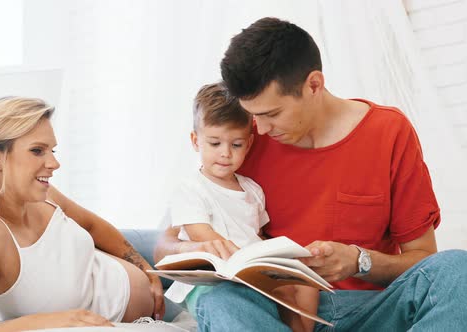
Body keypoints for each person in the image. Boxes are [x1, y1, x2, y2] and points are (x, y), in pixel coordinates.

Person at [154, 17, 467, 331]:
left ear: (313, 85)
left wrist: (359, 261)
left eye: (271, 114)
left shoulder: (389, 133)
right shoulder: (239, 142)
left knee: (457, 268)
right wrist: (197, 250)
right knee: (219, 301)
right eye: (253, 116)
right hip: (280, 311)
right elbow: (165, 242)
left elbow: (423, 260)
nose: (259, 129)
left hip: (371, 309)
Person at [0, 97, 164, 331]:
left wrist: (146, 269)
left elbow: (92, 227)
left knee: (190, 246)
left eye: (52, 150)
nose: (54, 163)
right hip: (147, 308)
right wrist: (49, 321)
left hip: (141, 270)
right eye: (37, 151)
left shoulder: (44, 195)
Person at [165, 82, 318, 332]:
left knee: (303, 282)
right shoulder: (190, 188)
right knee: (232, 298)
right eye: (215, 144)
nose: (225, 153)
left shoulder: (252, 190)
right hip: (213, 277)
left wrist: (274, 259)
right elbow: (201, 235)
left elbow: (256, 234)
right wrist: (239, 259)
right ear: (196, 141)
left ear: (248, 144)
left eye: (235, 145)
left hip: (250, 271)